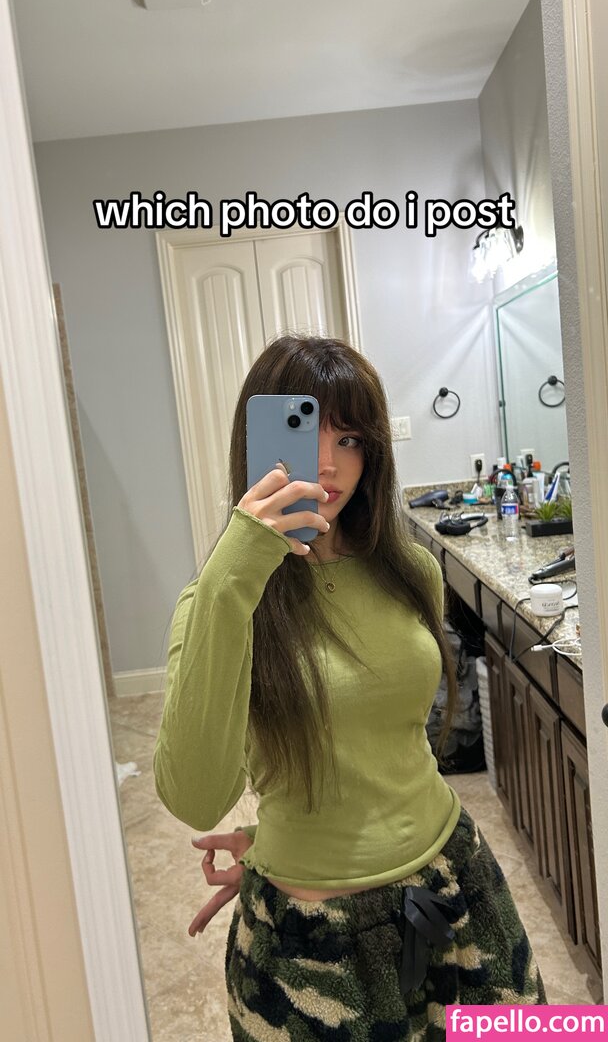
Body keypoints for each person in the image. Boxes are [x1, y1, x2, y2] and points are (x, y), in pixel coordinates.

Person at [154, 335, 546, 1040]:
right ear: (258, 441)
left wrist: (308, 830)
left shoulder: (409, 570)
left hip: (455, 883)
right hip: (313, 941)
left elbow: (383, 744)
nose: (330, 464)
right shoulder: (220, 601)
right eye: (305, 430)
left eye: (351, 437)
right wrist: (234, 571)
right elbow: (194, 796)